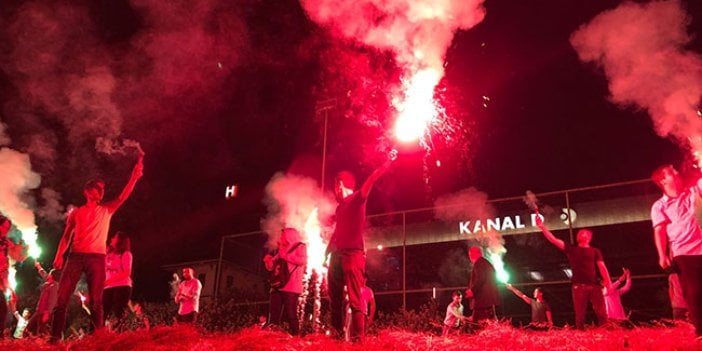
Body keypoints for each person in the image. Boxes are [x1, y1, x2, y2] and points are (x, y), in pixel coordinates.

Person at [50, 153, 143, 342]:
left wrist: (134, 176)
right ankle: (54, 338)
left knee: (96, 301)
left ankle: (97, 339)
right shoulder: (76, 213)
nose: (102, 191)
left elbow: (123, 196)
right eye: (98, 188)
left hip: (97, 258)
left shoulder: (106, 210)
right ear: (87, 191)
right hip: (75, 256)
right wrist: (59, 256)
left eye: (103, 188)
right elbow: (66, 236)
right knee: (62, 299)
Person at [326, 153, 395, 342]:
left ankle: (358, 342)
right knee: (335, 301)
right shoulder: (340, 209)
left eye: (334, 185)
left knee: (356, 301)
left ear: (339, 184)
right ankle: (336, 341)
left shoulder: (358, 198)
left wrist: (386, 164)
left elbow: (371, 179)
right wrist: (327, 252)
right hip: (337, 256)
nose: (334, 190)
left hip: (353, 256)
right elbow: (337, 232)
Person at [650, 165, 702, 338]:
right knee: (693, 292)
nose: (677, 172)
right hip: (683, 253)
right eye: (672, 172)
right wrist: (662, 254)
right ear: (663, 180)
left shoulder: (694, 191)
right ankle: (700, 331)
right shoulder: (659, 206)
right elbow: (659, 231)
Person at [536, 215, 612, 329]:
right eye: (579, 233)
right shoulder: (571, 249)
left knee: (602, 313)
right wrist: (542, 227)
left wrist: (609, 282)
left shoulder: (595, 251)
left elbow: (602, 267)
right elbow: (553, 240)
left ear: (589, 237)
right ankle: (580, 334)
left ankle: (606, 332)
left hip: (594, 285)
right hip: (578, 286)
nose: (580, 234)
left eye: (583, 233)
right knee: (580, 315)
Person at [263, 227, 307, 336]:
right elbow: (272, 267)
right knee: (273, 314)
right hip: (277, 286)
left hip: (291, 287)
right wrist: (268, 261)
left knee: (291, 314)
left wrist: (286, 256)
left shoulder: (300, 246)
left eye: (283, 235)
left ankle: (295, 337)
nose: (281, 237)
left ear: (289, 236)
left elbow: (302, 261)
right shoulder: (282, 250)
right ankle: (272, 337)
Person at [103, 231, 133, 330]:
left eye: (115, 237)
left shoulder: (126, 254)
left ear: (120, 241)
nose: (112, 238)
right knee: (102, 311)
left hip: (122, 286)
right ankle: (98, 333)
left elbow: (126, 273)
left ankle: (121, 333)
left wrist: (108, 281)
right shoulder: (108, 254)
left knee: (119, 311)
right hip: (107, 287)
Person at [465, 247, 500, 323]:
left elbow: (480, 279)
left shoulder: (478, 264)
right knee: (492, 322)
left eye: (470, 255)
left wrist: (472, 291)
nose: (470, 257)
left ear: (473, 255)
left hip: (481, 301)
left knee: (476, 324)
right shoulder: (487, 264)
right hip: (489, 300)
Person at [25, 261, 60, 336]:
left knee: (41, 332)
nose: (48, 274)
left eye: (50, 273)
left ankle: (46, 345)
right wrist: (38, 266)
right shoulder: (49, 283)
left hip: (44, 312)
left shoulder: (55, 286)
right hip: (38, 311)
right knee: (28, 330)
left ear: (52, 275)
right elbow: (44, 274)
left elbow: (52, 301)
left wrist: (47, 313)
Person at [0, 215, 18, 339]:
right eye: (4, 227)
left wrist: (10, 288)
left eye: (8, 228)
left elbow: (18, 254)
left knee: (3, 309)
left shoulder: (6, 242)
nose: (6, 230)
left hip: (1, 279)